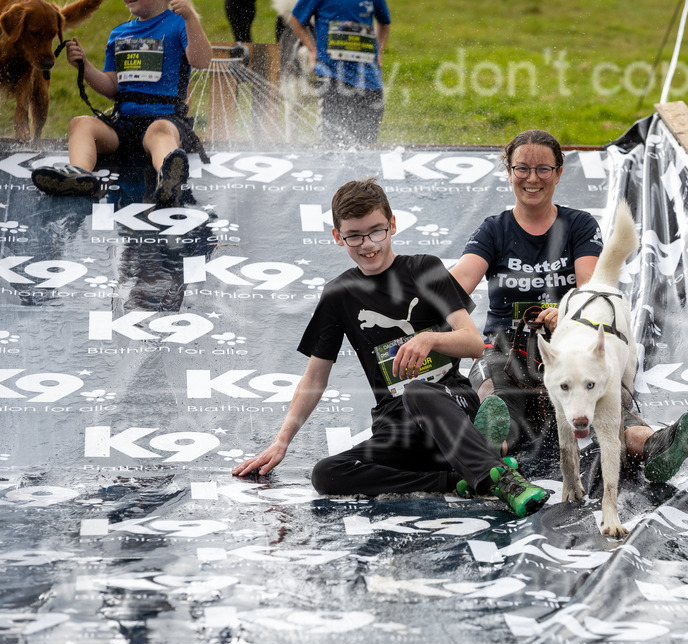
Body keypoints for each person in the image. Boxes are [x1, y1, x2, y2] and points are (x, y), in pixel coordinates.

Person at [232, 179, 550, 518]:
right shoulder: (339, 294)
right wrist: (282, 441)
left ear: (392, 225)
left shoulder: (424, 268)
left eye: (376, 232)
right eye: (354, 235)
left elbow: (472, 342)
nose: (368, 244)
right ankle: (455, 479)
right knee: (326, 473)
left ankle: (505, 482)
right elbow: (314, 378)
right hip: (397, 426)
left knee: (418, 391)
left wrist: (429, 339)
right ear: (338, 237)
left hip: (449, 405)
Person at [449, 129, 688, 484]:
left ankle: (659, 446)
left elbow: (591, 284)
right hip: (508, 351)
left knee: (613, 408)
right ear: (508, 171)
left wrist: (568, 313)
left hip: (572, 351)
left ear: (559, 172)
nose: (532, 178)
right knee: (494, 397)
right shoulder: (494, 229)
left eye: (543, 169)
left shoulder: (578, 225)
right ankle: (492, 443)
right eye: (522, 168)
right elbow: (458, 282)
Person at [30, 0, 212, 206]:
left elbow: (201, 61)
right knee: (79, 124)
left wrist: (191, 18)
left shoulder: (179, 23)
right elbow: (111, 87)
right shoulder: (120, 33)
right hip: (124, 124)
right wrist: (84, 65)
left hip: (166, 119)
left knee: (158, 131)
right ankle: (79, 174)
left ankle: (169, 178)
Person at [288, 0, 390, 145]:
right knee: (335, 141)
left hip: (369, 78)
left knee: (367, 142)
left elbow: (384, 23)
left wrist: (379, 53)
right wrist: (313, 50)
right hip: (333, 75)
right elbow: (296, 20)